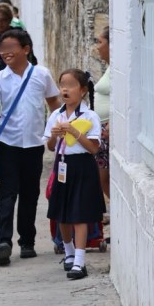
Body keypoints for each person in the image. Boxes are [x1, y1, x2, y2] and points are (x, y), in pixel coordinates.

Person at [0, 29, 60, 265]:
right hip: (7, 143)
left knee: (30, 193)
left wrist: (56, 128)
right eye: (2, 48)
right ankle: (3, 241)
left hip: (33, 143)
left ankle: (27, 241)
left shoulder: (41, 74)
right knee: (8, 192)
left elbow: (53, 102)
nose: (5, 53)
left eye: (11, 47)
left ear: (26, 49)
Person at [45, 69, 104, 280]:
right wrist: (54, 136)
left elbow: (94, 148)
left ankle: (79, 261)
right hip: (62, 165)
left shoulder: (90, 116)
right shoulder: (56, 115)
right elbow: (50, 147)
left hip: (82, 166)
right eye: (62, 85)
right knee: (62, 212)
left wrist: (75, 132)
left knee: (80, 214)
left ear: (83, 90)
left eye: (70, 85)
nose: (65, 90)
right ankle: (68, 251)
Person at [93, 26, 112, 203]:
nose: (97, 47)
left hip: (108, 130)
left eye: (100, 42)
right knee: (101, 179)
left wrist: (113, 122)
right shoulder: (110, 67)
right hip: (102, 131)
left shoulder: (118, 69)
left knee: (103, 179)